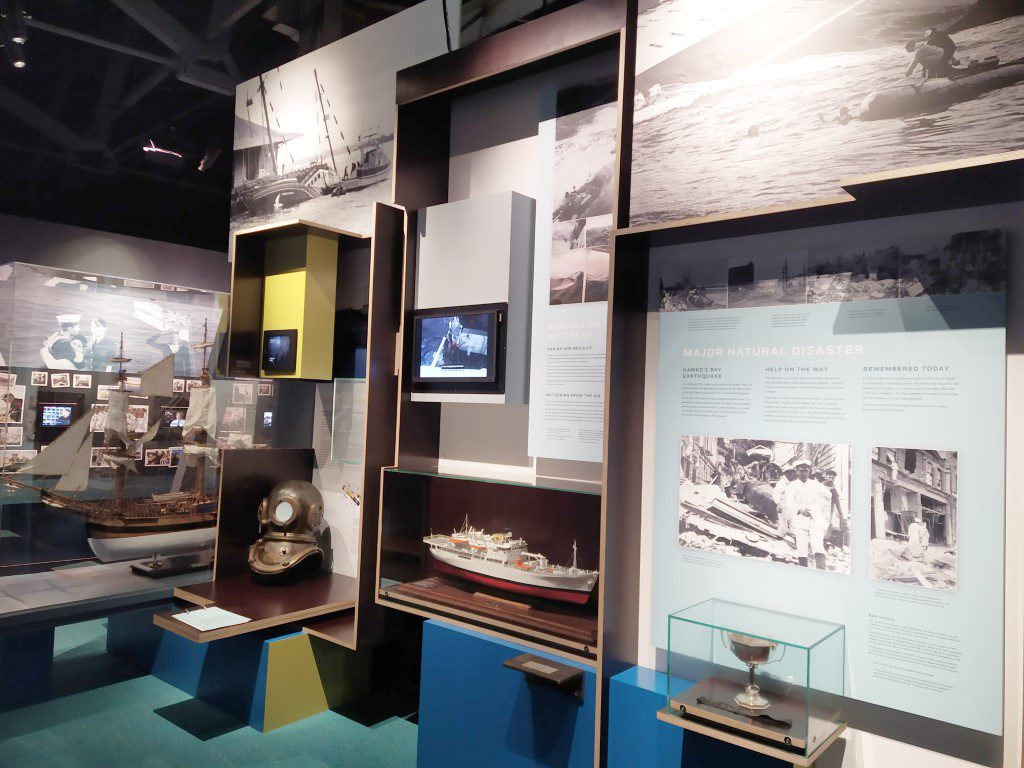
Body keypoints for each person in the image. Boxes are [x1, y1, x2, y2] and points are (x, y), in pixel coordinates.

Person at [786, 459, 830, 569]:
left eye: (806, 470)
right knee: (801, 547)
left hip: (815, 519)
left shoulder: (816, 485)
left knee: (817, 545)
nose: (804, 473)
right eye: (801, 471)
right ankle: (804, 571)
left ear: (809, 471)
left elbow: (828, 496)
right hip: (800, 519)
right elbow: (789, 502)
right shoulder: (792, 485)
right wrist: (799, 509)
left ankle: (821, 570)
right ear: (797, 471)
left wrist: (819, 509)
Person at [773, 464, 796, 535]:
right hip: (783, 506)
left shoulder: (791, 483)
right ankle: (780, 537)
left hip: (790, 505)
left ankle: (794, 536)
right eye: (792, 473)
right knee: (783, 523)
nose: (794, 475)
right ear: (787, 473)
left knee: (793, 521)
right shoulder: (782, 483)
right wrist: (778, 504)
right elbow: (775, 494)